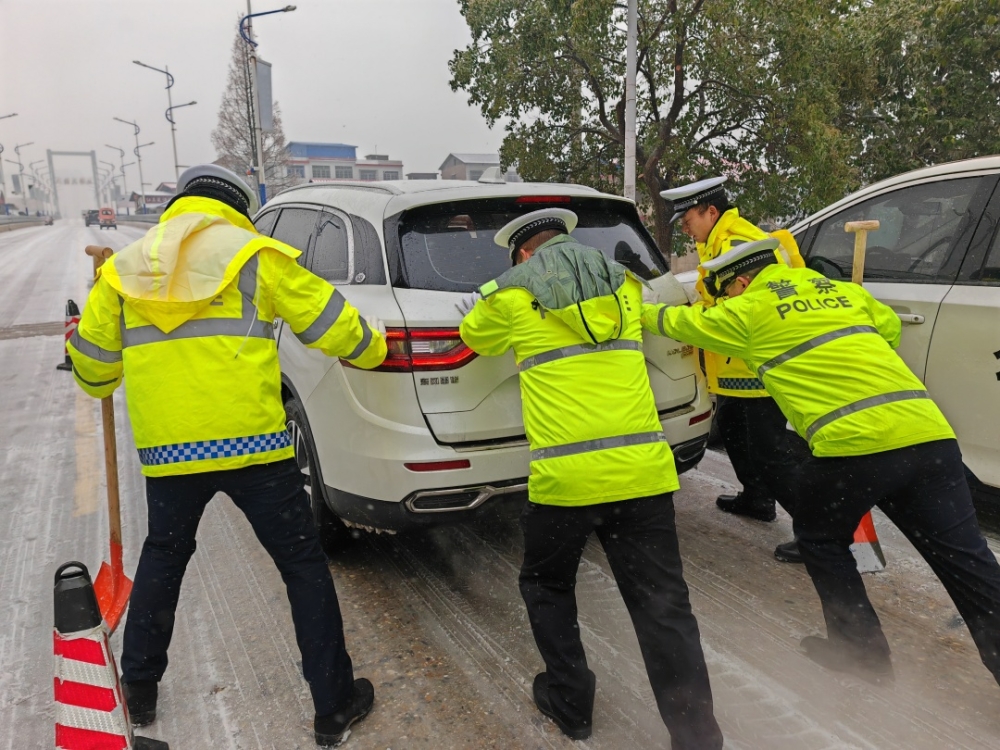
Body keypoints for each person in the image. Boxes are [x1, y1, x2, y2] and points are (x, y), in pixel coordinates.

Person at [68, 164, 386, 747]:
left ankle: (139, 691)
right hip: (255, 448)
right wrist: (374, 347)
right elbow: (338, 329)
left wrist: (91, 333)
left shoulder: (121, 271)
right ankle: (333, 706)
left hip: (170, 454)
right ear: (236, 208)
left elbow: (93, 375)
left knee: (163, 560)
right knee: (301, 565)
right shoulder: (255, 256)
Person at [642, 238, 1000, 685]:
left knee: (820, 537)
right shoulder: (842, 291)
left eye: (724, 291)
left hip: (852, 448)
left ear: (741, 283)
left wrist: (629, 302)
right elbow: (889, 329)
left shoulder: (747, 310)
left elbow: (674, 321)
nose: (723, 299)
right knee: (966, 559)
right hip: (929, 437)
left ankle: (862, 652)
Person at [458, 208, 723, 748]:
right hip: (643, 474)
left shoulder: (511, 295)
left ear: (524, 254)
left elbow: (475, 337)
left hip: (566, 481)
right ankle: (696, 736)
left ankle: (571, 702)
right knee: (663, 606)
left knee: (547, 584)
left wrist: (486, 300)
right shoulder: (625, 285)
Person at [660, 177, 807, 562]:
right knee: (734, 433)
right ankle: (758, 498)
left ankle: (816, 533)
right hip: (734, 367)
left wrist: (688, 318)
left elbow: (745, 308)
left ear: (711, 212)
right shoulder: (715, 242)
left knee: (770, 450)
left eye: (688, 220)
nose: (685, 228)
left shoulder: (739, 245)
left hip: (756, 366)